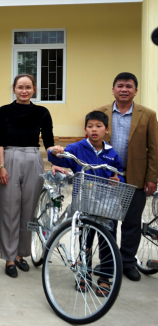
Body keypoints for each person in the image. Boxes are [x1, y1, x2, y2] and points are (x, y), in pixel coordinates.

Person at [47, 110, 125, 296]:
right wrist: (54, 151)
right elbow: (57, 156)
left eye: (98, 126)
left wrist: (117, 180)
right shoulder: (77, 148)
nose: (94, 130)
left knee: (108, 239)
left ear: (106, 129)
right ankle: (84, 274)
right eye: (90, 126)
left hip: (107, 204)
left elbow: (119, 174)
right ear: (85, 129)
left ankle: (105, 277)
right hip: (84, 202)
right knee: (85, 240)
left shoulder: (111, 153)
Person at [95, 72, 158, 282]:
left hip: (136, 178)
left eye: (129, 86)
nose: (124, 89)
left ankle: (128, 262)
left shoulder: (148, 115)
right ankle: (107, 264)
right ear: (113, 89)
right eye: (120, 86)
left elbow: (154, 149)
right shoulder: (100, 113)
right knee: (107, 224)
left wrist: (151, 178)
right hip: (107, 178)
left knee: (131, 224)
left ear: (135, 91)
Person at [0, 73, 54, 278]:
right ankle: (9, 258)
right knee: (10, 209)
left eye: (28, 87)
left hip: (33, 158)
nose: (24, 91)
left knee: (29, 210)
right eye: (20, 87)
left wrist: (56, 163)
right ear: (14, 89)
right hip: (9, 157)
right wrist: (1, 166)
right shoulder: (3, 111)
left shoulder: (42, 112)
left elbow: (49, 141)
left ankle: (21, 254)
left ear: (34, 89)